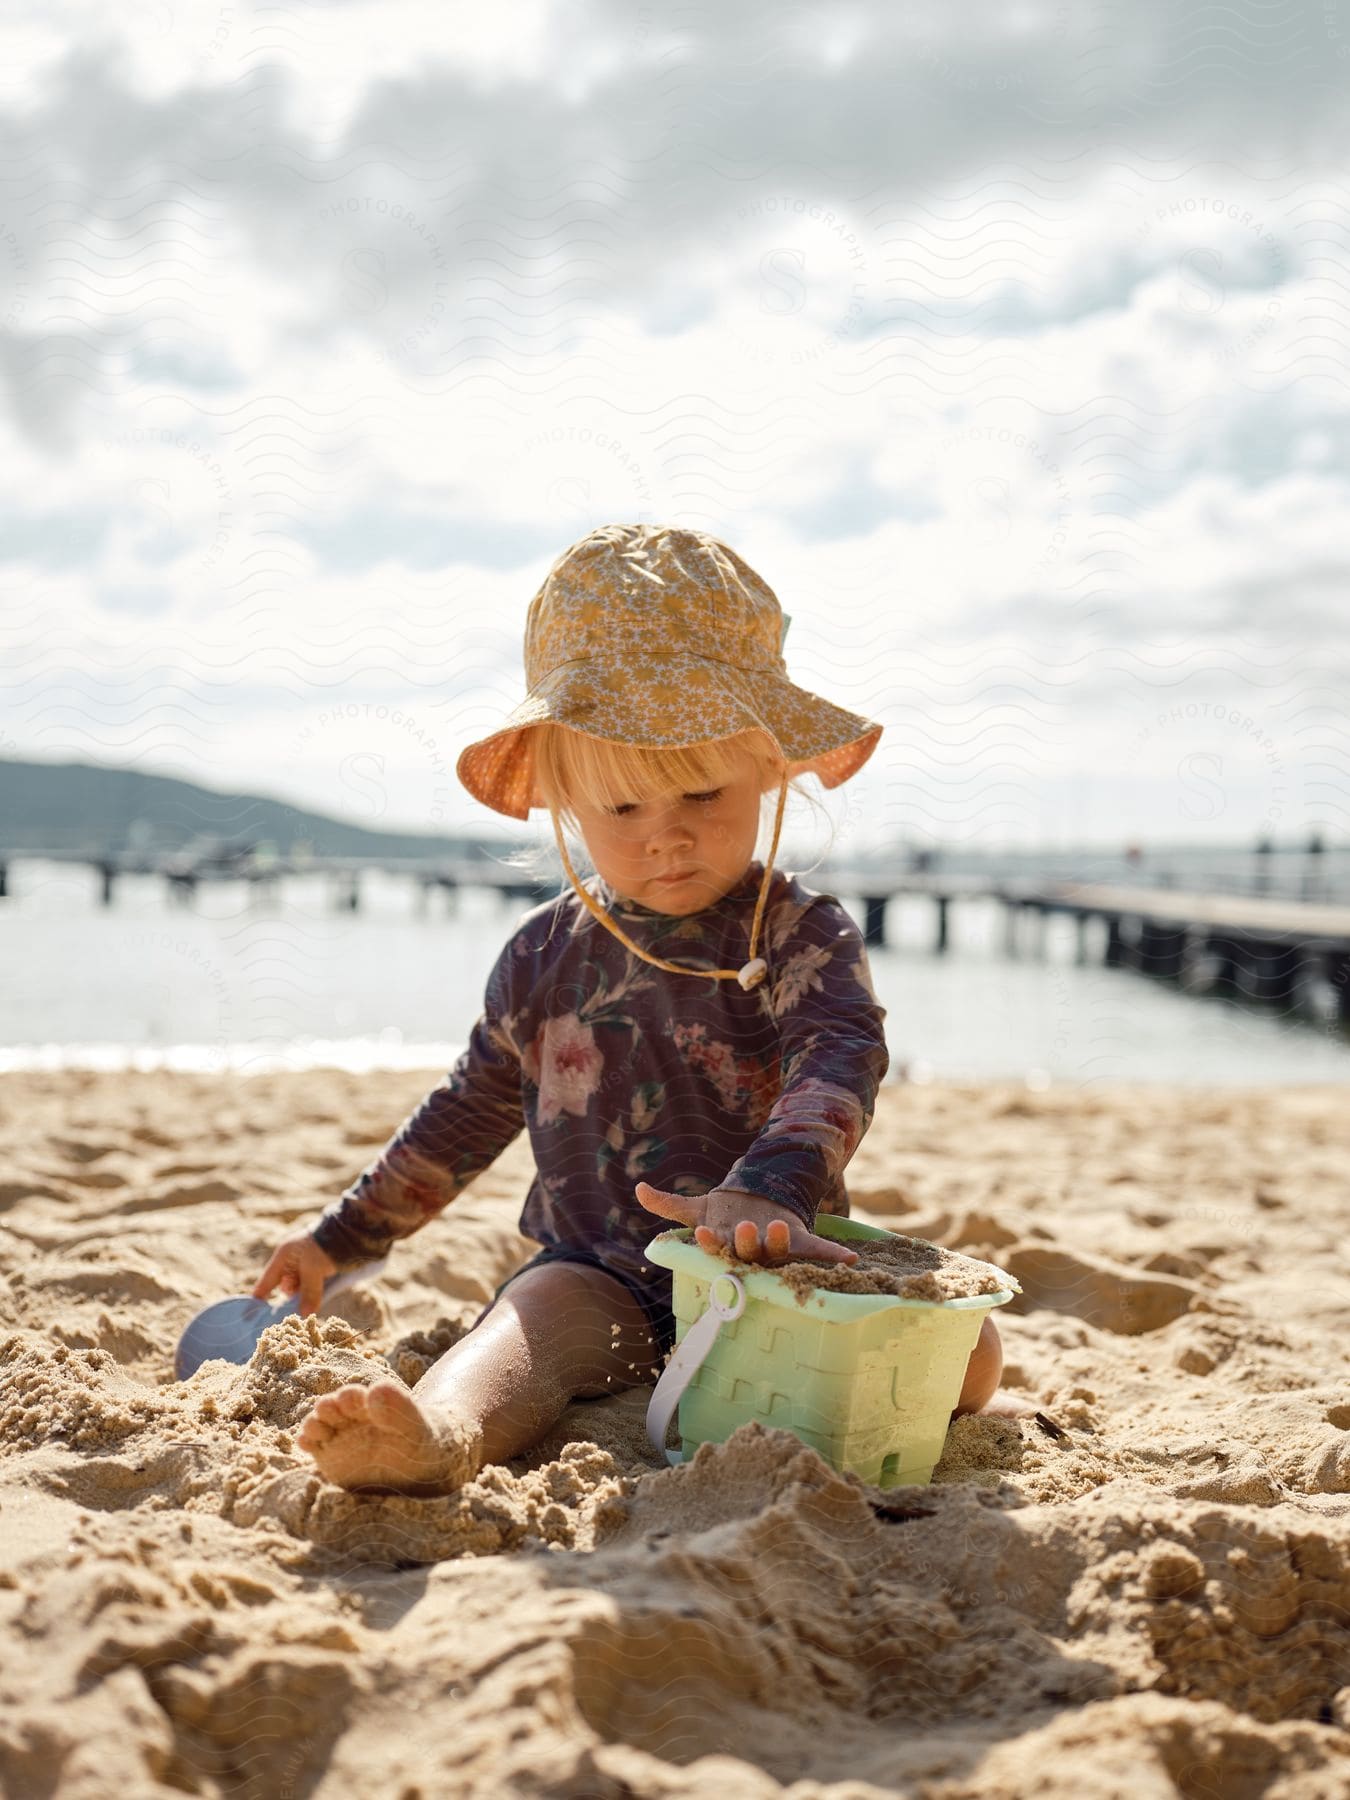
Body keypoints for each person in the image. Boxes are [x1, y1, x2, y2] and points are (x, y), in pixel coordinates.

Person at [252, 523, 1009, 1496]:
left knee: (973, 1352)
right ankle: (442, 1435)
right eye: (621, 810)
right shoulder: (540, 957)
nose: (667, 839)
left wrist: (773, 1186)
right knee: (526, 1334)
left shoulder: (798, 933)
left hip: (770, 1269)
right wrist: (338, 1238)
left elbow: (840, 1056)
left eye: (700, 792)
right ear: (564, 800)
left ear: (771, 767)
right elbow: (465, 1116)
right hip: (601, 1269)